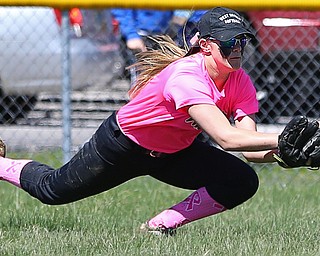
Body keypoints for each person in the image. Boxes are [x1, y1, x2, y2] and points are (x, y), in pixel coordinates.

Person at [0, 7, 318, 236]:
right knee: (52, 190)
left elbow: (247, 147)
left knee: (242, 180)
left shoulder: (239, 80)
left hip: (174, 153)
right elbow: (227, 139)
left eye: (242, 42)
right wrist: (279, 139)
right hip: (123, 146)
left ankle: (158, 227)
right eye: (229, 42)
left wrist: (286, 155)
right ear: (205, 45)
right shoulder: (186, 76)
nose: (237, 49)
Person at [111, 9, 174, 83]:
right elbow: (121, 9)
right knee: (141, 77)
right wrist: (131, 35)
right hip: (139, 34)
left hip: (165, 33)